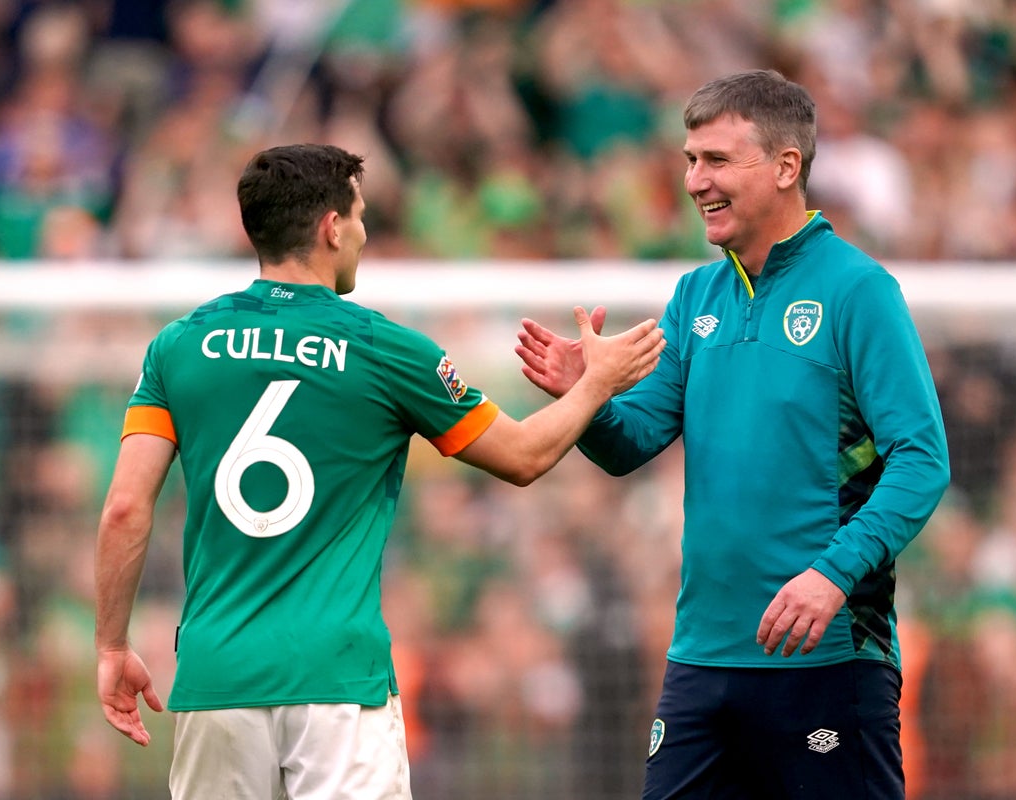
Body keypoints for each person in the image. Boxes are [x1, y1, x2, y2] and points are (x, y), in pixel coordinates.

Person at [94, 143, 665, 800]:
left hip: (215, 678)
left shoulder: (178, 346)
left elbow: (124, 510)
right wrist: (596, 386)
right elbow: (524, 456)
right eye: (360, 217)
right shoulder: (386, 349)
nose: (364, 234)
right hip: (338, 681)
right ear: (331, 227)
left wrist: (112, 644)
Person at [515, 69, 950, 799]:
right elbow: (635, 440)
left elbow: (922, 459)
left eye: (716, 160)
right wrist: (586, 395)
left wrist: (831, 576)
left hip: (828, 662)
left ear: (786, 167)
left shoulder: (858, 290)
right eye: (690, 160)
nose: (694, 180)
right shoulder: (696, 294)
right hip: (703, 659)